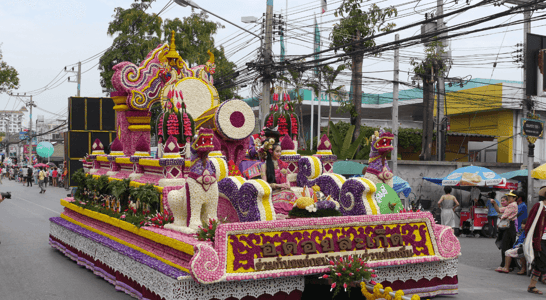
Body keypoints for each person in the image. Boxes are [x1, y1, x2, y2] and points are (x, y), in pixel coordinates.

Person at [260, 143, 294, 216]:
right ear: (271, 152)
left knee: (290, 194)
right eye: (277, 151)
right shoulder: (264, 166)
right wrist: (279, 185)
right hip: (273, 192)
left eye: (280, 151)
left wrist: (287, 184)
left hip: (283, 190)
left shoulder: (283, 164)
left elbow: (287, 178)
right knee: (285, 195)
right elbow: (265, 184)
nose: (279, 153)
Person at [524, 187, 546, 295]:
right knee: (540, 263)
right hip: (540, 239)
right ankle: (532, 286)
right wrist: (528, 238)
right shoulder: (539, 206)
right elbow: (530, 222)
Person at [491, 191, 518, 271]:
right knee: (507, 246)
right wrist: (495, 203)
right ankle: (508, 265)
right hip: (508, 226)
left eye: (510, 196)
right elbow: (499, 210)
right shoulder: (511, 205)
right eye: (508, 196)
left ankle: (505, 265)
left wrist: (500, 217)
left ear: (514, 198)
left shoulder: (512, 205)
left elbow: (504, 215)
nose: (509, 198)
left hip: (509, 226)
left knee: (506, 246)